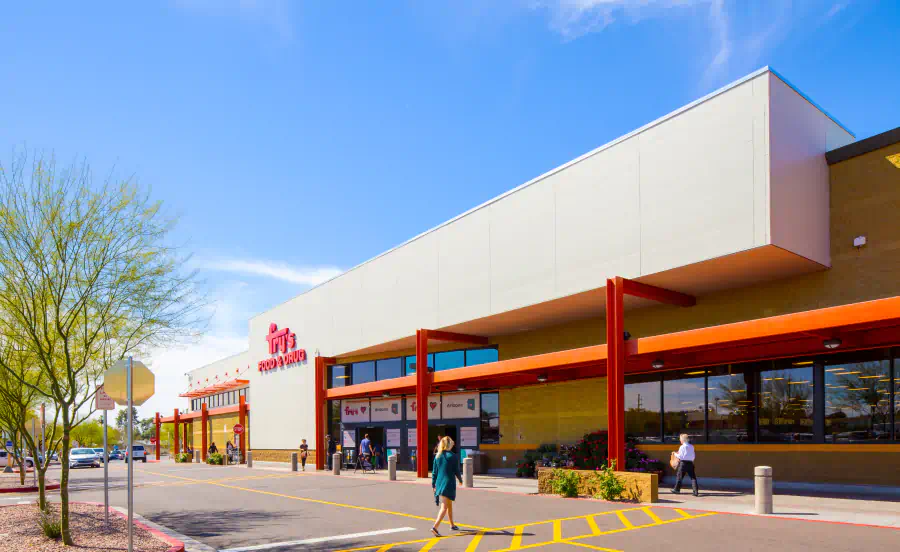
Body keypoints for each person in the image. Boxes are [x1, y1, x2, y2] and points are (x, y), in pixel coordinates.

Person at [430, 436, 463, 537]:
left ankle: (452, 524)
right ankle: (435, 527)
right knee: (444, 507)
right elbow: (456, 470)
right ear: (449, 444)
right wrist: (460, 480)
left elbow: (434, 472)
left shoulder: (438, 456)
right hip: (448, 483)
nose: (453, 443)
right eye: (452, 442)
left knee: (449, 504)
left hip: (440, 483)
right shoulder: (452, 456)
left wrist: (433, 484)